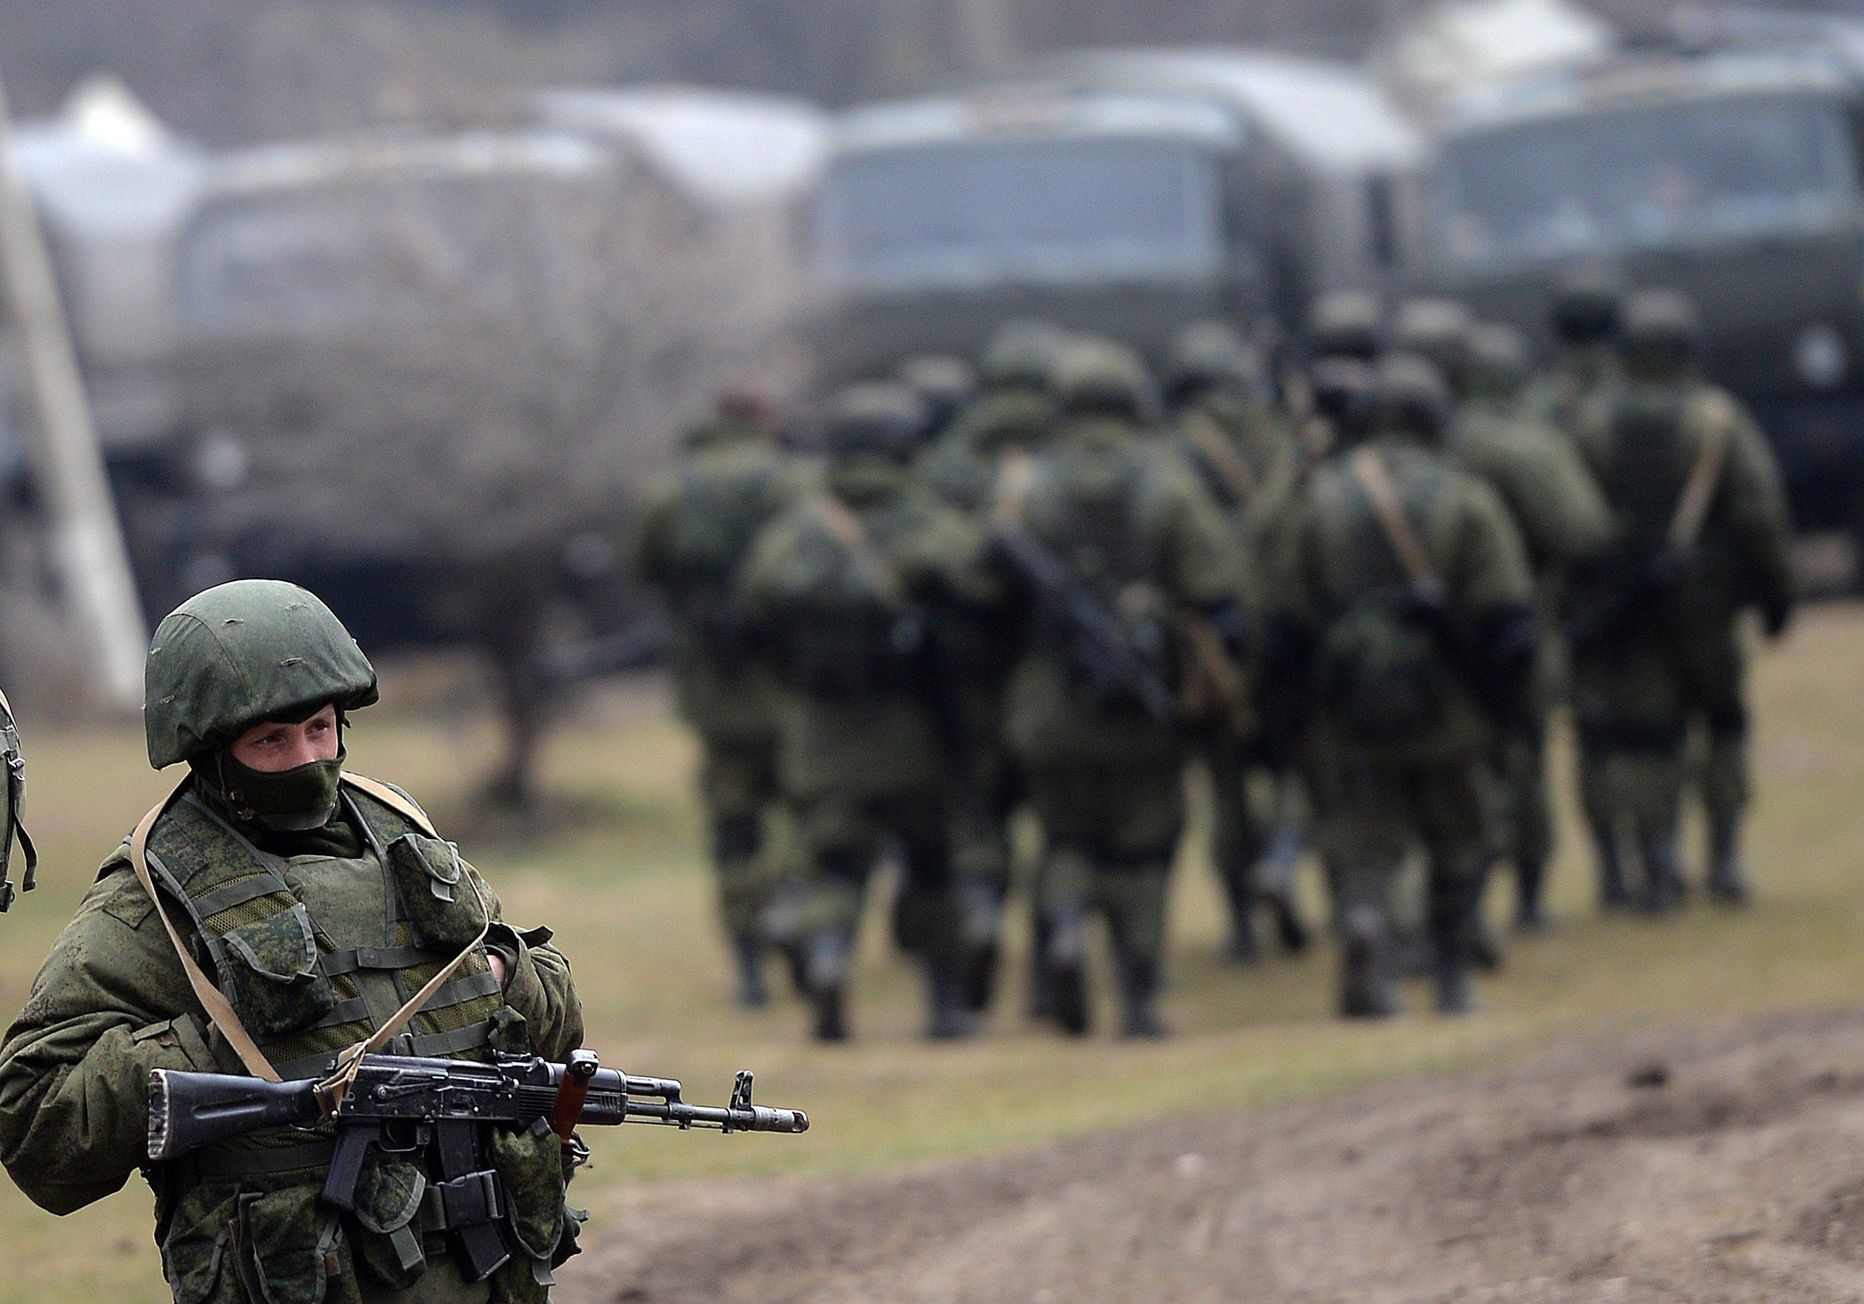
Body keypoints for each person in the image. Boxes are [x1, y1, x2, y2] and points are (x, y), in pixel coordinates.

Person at [0, 579, 584, 1303]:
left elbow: (553, 1012)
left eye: (319, 727)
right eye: (271, 741)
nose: (308, 759)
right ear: (214, 754)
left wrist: (501, 974)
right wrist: (219, 1040)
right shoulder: (157, 892)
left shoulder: (403, 835)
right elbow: (35, 1118)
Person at [1264, 356, 1538, 1017]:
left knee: (1365, 845)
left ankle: (1366, 936)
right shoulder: (1463, 496)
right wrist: (1510, 705)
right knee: (1464, 837)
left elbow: (1282, 619)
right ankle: (1450, 976)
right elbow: (1509, 617)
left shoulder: (1321, 495)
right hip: (1448, 705)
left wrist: (1289, 712)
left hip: (1349, 704)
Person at [737, 383, 995, 1043]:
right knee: (933, 867)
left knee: (833, 867)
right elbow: (980, 587)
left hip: (821, 738)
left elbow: (751, 609)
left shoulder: (797, 528)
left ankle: (825, 962)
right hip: (917, 737)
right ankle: (942, 1007)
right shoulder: (926, 519)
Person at [1000, 339, 1234, 1039]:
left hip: (1051, 704)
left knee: (1065, 835)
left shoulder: (1025, 487)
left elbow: (982, 590)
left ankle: (1066, 927)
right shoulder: (1169, 483)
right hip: (1145, 701)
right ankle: (1138, 998)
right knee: (1146, 847)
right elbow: (1214, 587)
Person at [1566, 290, 1795, 912]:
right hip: (1708, 608)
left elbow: (1574, 521)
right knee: (1723, 724)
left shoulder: (1591, 422)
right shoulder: (1718, 420)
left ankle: (1658, 864)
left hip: (1630, 614)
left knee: (1647, 736)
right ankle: (1723, 861)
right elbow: (1760, 514)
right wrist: (1778, 596)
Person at [631, 387, 807, 1006]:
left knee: (734, 826)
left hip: (714, 692)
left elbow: (639, 564)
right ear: (766, 421)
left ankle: (749, 962)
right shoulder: (795, 481)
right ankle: (793, 911)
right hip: (791, 689)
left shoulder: (674, 488)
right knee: (805, 814)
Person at [1160, 320, 1308, 963]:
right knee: (1305, 765)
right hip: (1286, 629)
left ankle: (1242, 928)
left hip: (1209, 644)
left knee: (1225, 780)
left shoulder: (1171, 451)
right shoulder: (1283, 437)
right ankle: (1284, 857)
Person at [1456, 323, 1613, 931]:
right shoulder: (1526, 447)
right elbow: (1585, 535)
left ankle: (1451, 909)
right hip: (1517, 629)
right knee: (1523, 761)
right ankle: (1526, 897)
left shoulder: (1392, 454)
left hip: (1426, 650)